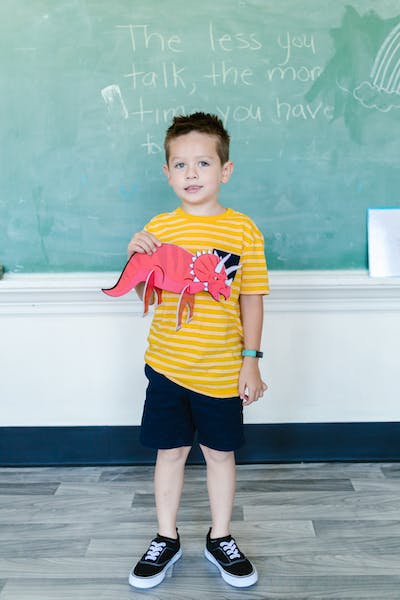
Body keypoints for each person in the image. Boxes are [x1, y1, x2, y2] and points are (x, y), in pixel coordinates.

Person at [127, 112, 269, 589]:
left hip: (222, 371)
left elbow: (252, 298)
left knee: (219, 455)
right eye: (180, 165)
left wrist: (252, 361)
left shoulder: (244, 230)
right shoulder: (159, 227)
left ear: (224, 170)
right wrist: (135, 256)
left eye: (203, 163)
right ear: (166, 173)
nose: (192, 174)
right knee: (169, 453)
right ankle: (166, 537)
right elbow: (141, 293)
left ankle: (220, 536)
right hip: (166, 367)